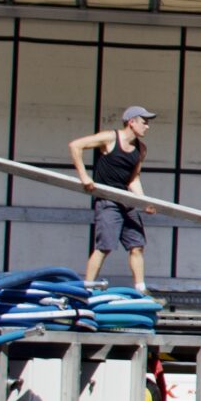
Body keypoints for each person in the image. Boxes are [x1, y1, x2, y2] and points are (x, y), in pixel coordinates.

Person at [69, 105, 156, 290]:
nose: (147, 126)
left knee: (137, 245)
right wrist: (84, 177)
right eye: (144, 122)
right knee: (104, 247)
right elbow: (75, 145)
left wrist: (143, 201)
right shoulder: (110, 138)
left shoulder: (141, 149)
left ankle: (141, 289)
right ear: (131, 122)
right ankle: (88, 288)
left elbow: (134, 178)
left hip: (127, 201)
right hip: (108, 200)